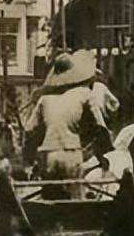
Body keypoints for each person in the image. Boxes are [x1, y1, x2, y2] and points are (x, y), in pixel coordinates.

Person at [23, 50, 109, 199]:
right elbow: (100, 127)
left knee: (51, 202)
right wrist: (105, 156)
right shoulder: (85, 94)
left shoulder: (45, 99)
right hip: (71, 154)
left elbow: (29, 130)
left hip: (49, 155)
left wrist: (29, 160)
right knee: (76, 202)